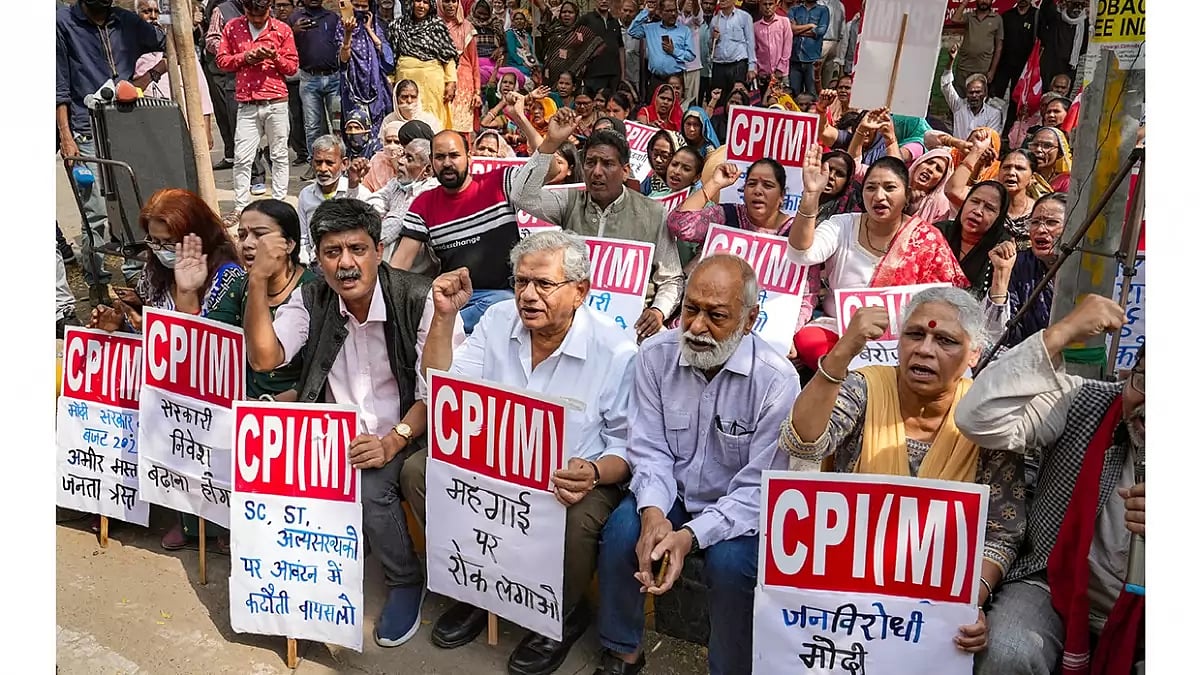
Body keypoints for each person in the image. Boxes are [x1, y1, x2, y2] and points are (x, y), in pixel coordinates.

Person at [401, 231, 637, 674]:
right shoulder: (495, 321)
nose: (527, 295)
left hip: (569, 479)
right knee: (418, 469)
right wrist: (444, 318)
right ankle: (476, 587)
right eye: (520, 282)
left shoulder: (617, 352)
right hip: (492, 464)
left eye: (543, 284)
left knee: (581, 513)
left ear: (580, 292)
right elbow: (439, 388)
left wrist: (592, 471)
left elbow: (628, 448)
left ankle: (560, 617)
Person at [243, 197, 466, 648]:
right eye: (331, 252)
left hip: (411, 430)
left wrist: (393, 439)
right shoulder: (312, 296)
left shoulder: (420, 297)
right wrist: (257, 280)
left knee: (371, 485)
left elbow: (437, 393)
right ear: (318, 258)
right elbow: (265, 357)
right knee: (261, 458)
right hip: (334, 433)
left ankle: (405, 580)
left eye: (357, 249)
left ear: (379, 250)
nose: (346, 264)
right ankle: (300, 578)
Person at [778, 286, 1026, 657]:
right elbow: (803, 443)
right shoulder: (865, 386)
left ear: (974, 353)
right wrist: (843, 351)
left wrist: (967, 602)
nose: (924, 349)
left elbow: (1001, 532)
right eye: (915, 334)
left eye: (945, 340)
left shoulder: (985, 419)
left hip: (936, 603)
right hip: (846, 595)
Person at [593, 255, 801, 675]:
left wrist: (691, 535)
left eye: (716, 315)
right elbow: (649, 449)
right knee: (622, 535)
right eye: (690, 309)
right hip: (672, 492)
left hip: (738, 510)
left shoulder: (776, 381)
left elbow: (759, 490)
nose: (697, 327)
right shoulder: (654, 356)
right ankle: (623, 650)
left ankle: (729, 667)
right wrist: (653, 514)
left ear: (749, 319)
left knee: (731, 567)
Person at [956, 294, 1146, 675]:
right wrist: (1060, 333)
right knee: (1008, 652)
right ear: (1128, 376)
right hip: (1052, 582)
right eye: (1144, 382)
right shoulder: (1086, 401)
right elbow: (978, 418)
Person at [88, 188, 244, 550]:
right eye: (153, 241)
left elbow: (203, 344)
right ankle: (183, 518)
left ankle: (217, 526)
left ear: (196, 235)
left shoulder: (229, 277)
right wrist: (119, 324)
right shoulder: (154, 271)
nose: (160, 249)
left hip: (215, 392)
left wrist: (188, 294)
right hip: (167, 388)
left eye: (168, 242)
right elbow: (151, 331)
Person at [510, 110, 687, 343]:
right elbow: (521, 196)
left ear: (625, 171)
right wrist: (551, 142)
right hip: (572, 320)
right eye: (590, 163)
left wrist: (658, 311)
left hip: (631, 328)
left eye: (607, 164)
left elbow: (671, 278)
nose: (596, 171)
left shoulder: (653, 213)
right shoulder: (571, 201)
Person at [787, 148, 969, 370]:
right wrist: (810, 198)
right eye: (870, 188)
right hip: (840, 331)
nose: (879, 196)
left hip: (900, 339)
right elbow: (801, 253)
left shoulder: (927, 238)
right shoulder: (843, 224)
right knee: (809, 340)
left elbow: (947, 298)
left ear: (907, 193)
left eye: (890, 188)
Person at [57, 0, 165, 298]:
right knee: (97, 213)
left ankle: (135, 273)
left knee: (133, 202)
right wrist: (66, 136)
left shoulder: (126, 21)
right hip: (84, 128)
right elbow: (59, 85)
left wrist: (151, 74)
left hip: (126, 124)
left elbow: (169, 41)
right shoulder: (63, 23)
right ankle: (98, 281)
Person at [394, 130, 522, 333]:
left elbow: (548, 171)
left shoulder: (500, 182)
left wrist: (525, 124)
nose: (447, 163)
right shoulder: (423, 204)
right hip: (451, 298)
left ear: (468, 157)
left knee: (503, 304)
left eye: (454, 155)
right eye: (440, 157)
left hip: (503, 299)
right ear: (431, 162)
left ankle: (438, 329)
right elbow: (398, 267)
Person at [203, 199, 319, 400]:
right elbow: (211, 345)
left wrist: (267, 405)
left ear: (289, 244)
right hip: (242, 403)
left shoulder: (315, 291)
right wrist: (186, 293)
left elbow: (320, 374)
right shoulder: (239, 285)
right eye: (242, 235)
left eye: (260, 235)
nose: (247, 244)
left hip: (299, 409)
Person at [217, 0, 299, 212]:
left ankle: (280, 203)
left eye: (260, 16)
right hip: (247, 103)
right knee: (242, 157)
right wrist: (245, 57)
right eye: (251, 16)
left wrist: (275, 57)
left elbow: (292, 67)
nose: (256, 20)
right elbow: (222, 61)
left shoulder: (282, 29)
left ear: (268, 9)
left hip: (276, 101)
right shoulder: (232, 27)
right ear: (245, 9)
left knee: (279, 156)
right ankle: (241, 206)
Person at [134, 0, 215, 154]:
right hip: (150, 129)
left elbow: (201, 92)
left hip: (184, 124)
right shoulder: (132, 52)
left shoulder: (181, 52)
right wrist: (156, 71)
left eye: (156, 12)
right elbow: (132, 88)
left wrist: (207, 128)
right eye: (146, 12)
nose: (152, 17)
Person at [993, 192, 1066, 350]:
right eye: (1035, 222)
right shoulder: (1018, 264)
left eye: (1051, 222)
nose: (1040, 229)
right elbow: (998, 335)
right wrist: (1001, 272)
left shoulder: (1086, 268)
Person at [296, 134, 378, 263]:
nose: (322, 169)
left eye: (329, 163)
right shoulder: (305, 195)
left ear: (344, 163)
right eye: (318, 162)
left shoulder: (360, 193)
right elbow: (303, 239)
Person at [933, 180, 1012, 298]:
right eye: (974, 201)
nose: (978, 211)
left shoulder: (1001, 249)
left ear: (999, 217)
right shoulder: (938, 233)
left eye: (989, 208)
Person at [948, 144, 1037, 249]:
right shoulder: (984, 201)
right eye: (1006, 167)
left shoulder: (1038, 211)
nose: (1011, 172)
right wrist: (976, 152)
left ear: (1032, 178)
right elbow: (953, 191)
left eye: (1019, 168)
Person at [388, 0, 459, 129]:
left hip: (431, 83)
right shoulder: (397, 26)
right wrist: (391, 81)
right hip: (405, 78)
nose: (421, 6)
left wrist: (451, 82)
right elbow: (391, 56)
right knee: (406, 115)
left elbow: (448, 56)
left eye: (426, 2)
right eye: (418, 1)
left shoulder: (437, 26)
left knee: (433, 119)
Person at [373, 138, 439, 267]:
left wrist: (363, 241)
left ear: (427, 170)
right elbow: (374, 204)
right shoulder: (397, 183)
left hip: (417, 273)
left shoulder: (431, 190)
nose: (400, 161)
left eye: (409, 158)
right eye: (402, 155)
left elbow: (397, 224)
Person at [289, 0, 342, 163]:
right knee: (312, 126)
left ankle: (338, 160)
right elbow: (283, 45)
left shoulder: (333, 17)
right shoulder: (294, 18)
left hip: (333, 77)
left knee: (337, 125)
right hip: (309, 78)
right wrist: (293, 31)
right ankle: (315, 163)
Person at [337, 0, 395, 142]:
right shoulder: (342, 27)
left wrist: (369, 30)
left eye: (364, 6)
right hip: (353, 87)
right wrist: (348, 34)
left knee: (378, 130)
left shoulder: (374, 26)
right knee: (356, 129)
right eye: (356, 5)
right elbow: (343, 60)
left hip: (375, 86)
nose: (360, 10)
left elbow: (387, 57)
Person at [627, 0, 696, 95]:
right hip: (656, 79)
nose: (673, 14)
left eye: (674, 11)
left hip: (675, 79)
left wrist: (674, 51)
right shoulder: (651, 28)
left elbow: (691, 56)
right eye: (668, 11)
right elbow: (632, 31)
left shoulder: (684, 30)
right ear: (660, 12)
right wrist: (647, 11)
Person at [942, 43, 1003, 140]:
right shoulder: (958, 106)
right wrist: (951, 61)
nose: (974, 95)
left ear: (985, 93)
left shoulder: (993, 114)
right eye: (971, 92)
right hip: (957, 152)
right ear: (966, 93)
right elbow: (946, 85)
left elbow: (991, 140)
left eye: (978, 92)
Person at [993, 0, 1036, 135]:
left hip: (1023, 67)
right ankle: (992, 125)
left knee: (1016, 98)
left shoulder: (1036, 16)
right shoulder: (1007, 16)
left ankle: (1008, 130)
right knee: (995, 95)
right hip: (1004, 63)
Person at [440, 0, 482, 134]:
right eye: (446, 1)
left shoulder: (466, 27)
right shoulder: (433, 27)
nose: (451, 5)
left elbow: (474, 61)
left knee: (461, 129)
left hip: (464, 82)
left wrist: (477, 91)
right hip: (440, 79)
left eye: (454, 1)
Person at [951, 0, 1003, 97]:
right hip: (964, 68)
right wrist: (965, 2)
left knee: (977, 102)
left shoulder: (997, 19)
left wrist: (992, 71)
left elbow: (998, 48)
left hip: (983, 70)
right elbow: (954, 19)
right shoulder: (969, 16)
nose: (984, 1)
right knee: (959, 100)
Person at [709, 0, 757, 101]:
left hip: (738, 64)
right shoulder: (714, 20)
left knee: (738, 97)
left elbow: (750, 42)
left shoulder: (744, 17)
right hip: (719, 65)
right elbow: (710, 46)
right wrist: (714, 38)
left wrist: (751, 67)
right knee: (719, 99)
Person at [1038, 0, 1090, 93]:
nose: (1078, 8)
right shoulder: (1056, 18)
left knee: (1064, 99)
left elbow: (1085, 45)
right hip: (1051, 64)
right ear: (1067, 3)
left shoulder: (1085, 24)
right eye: (1075, 4)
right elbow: (1046, 5)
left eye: (1082, 5)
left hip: (1069, 67)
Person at [579, 0, 625, 92]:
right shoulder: (586, 19)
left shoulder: (615, 22)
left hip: (614, 74)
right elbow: (578, 44)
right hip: (594, 74)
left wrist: (623, 74)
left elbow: (621, 48)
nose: (604, 1)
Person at [785, 0, 825, 98]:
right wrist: (810, 26)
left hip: (812, 59)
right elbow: (790, 29)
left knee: (812, 95)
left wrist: (798, 30)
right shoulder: (794, 10)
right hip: (795, 58)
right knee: (793, 94)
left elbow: (820, 31)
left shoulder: (823, 10)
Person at [908, 148, 956, 225]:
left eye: (938, 169)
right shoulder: (897, 186)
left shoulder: (940, 205)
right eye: (929, 162)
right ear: (918, 163)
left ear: (942, 180)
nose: (930, 169)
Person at [751, 0, 791, 91]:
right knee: (763, 102)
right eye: (765, 4)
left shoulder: (784, 22)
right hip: (763, 73)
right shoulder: (755, 26)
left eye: (770, 4)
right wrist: (756, 70)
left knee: (782, 100)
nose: (768, 7)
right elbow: (754, 49)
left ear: (776, 6)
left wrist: (780, 69)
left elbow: (787, 47)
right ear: (760, 6)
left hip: (781, 72)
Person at [1026, 126, 1073, 193]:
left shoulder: (1065, 181)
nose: (1038, 149)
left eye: (1047, 146)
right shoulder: (1021, 175)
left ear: (1060, 153)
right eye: (1035, 145)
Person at [472, 0, 508, 86]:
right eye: (479, 13)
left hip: (494, 63)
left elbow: (505, 46)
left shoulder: (497, 24)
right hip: (474, 63)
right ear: (474, 11)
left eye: (485, 14)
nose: (482, 16)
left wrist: (500, 49)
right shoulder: (467, 25)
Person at [640, 128, 683, 196]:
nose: (658, 160)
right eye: (655, 154)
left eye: (664, 156)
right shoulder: (649, 182)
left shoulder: (685, 185)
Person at [816, 0, 844, 88]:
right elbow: (842, 27)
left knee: (821, 71)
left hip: (826, 40)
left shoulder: (818, 3)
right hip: (832, 40)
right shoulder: (840, 4)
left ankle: (822, 94)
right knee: (823, 71)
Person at [505, 8, 539, 78]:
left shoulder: (526, 34)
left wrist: (534, 63)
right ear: (513, 22)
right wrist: (522, 62)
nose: (519, 21)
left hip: (528, 60)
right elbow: (512, 52)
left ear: (525, 21)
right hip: (515, 62)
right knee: (527, 71)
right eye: (517, 19)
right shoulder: (510, 33)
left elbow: (532, 50)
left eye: (521, 19)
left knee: (540, 68)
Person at [618, 0, 642, 97]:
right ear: (620, 10)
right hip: (617, 77)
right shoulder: (613, 28)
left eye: (631, 11)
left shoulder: (641, 31)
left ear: (636, 13)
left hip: (635, 78)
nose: (627, 13)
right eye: (625, 10)